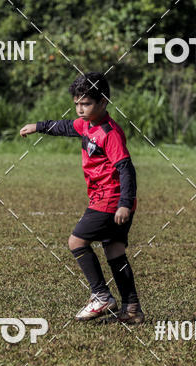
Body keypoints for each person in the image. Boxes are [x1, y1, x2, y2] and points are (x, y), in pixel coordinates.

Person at [19, 72, 144, 323]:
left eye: (86, 103)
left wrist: (124, 204)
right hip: (107, 199)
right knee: (114, 251)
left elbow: (126, 169)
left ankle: (101, 296)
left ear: (103, 102)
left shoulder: (109, 133)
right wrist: (38, 126)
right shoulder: (86, 124)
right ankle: (131, 310)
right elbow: (66, 126)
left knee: (76, 242)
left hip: (110, 200)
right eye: (77, 103)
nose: (79, 109)